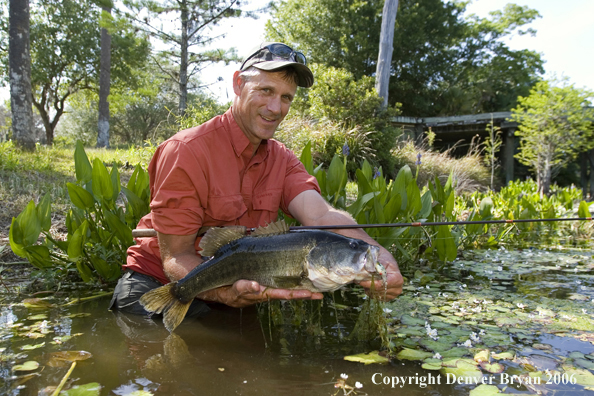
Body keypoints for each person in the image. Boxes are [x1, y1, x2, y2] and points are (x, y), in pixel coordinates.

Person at [109, 42, 403, 319]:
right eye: (265, 90)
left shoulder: (283, 159)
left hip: (238, 288)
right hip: (156, 283)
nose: (275, 108)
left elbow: (322, 216)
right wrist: (225, 294)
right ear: (238, 84)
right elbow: (176, 255)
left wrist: (375, 253)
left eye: (286, 97)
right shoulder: (186, 152)